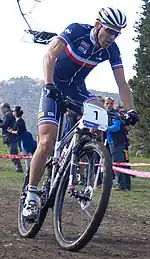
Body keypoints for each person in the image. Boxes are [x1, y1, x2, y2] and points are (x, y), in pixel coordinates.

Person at [23, 7, 139, 220]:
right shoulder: (76, 31)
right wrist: (49, 84)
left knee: (99, 109)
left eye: (117, 33)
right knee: (47, 142)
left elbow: (122, 83)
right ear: (97, 25)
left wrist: (131, 110)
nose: (112, 37)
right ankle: (31, 195)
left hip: (77, 88)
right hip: (55, 85)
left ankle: (79, 152)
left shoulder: (112, 50)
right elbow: (50, 55)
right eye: (109, 31)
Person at [105, 98, 131, 191]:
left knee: (118, 163)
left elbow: (116, 127)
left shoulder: (116, 114)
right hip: (111, 141)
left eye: (110, 103)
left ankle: (122, 184)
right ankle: (124, 184)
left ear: (113, 104)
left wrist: (105, 127)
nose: (108, 105)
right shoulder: (106, 114)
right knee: (120, 163)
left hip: (117, 142)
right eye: (107, 103)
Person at [7, 106, 37, 171]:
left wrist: (11, 131)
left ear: (16, 112)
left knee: (26, 154)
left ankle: (28, 169)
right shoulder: (18, 120)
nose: (12, 112)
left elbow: (19, 132)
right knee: (25, 154)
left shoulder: (20, 121)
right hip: (22, 139)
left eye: (13, 111)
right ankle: (28, 169)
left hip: (24, 139)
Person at [0, 103, 23, 172]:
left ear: (6, 108)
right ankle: (19, 167)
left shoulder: (8, 115)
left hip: (10, 137)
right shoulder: (11, 114)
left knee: (12, 153)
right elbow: (5, 123)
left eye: (2, 108)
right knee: (13, 152)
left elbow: (4, 125)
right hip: (12, 136)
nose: (1, 110)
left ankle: (19, 168)